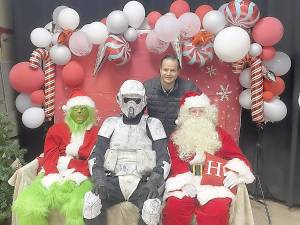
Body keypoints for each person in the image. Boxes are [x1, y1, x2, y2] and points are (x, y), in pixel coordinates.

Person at [84, 80, 170, 225]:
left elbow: (164, 158)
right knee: (91, 202)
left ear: (143, 100)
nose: (131, 104)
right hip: (112, 180)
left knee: (151, 208)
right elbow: (96, 154)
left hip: (143, 181)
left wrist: (154, 183)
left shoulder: (153, 124)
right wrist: (99, 179)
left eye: (136, 100)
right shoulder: (110, 123)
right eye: (127, 99)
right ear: (119, 99)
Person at [162, 91, 255, 225]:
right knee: (175, 207)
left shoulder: (219, 134)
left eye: (201, 111)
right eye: (193, 111)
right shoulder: (177, 137)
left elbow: (239, 157)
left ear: (208, 113)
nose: (198, 115)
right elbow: (176, 162)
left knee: (216, 210)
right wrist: (183, 182)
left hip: (213, 182)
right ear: (186, 114)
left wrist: (235, 172)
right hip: (187, 180)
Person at [13, 90, 99, 225]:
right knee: (28, 205)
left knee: (75, 207)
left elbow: (94, 161)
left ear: (90, 111)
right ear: (69, 111)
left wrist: (71, 163)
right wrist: (53, 176)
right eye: (76, 109)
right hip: (54, 172)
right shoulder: (56, 130)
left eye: (84, 109)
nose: (80, 112)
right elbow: (50, 155)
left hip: (82, 175)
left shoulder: (96, 133)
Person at [144, 55, 200, 137]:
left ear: (178, 71)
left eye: (172, 70)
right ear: (160, 69)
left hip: (180, 137)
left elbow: (203, 111)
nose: (168, 73)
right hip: (154, 136)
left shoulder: (189, 88)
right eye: (165, 70)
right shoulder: (147, 87)